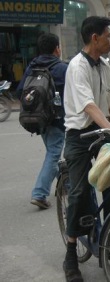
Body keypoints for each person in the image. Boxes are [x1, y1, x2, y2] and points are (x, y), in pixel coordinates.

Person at [62, 16, 110, 282]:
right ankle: (71, 254)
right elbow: (90, 107)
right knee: (80, 192)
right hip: (79, 136)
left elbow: (109, 105)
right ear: (95, 38)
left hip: (102, 131)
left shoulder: (103, 66)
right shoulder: (77, 67)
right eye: (108, 36)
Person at [16, 33, 68, 209]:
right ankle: (39, 193)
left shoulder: (32, 66)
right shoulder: (62, 68)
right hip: (58, 119)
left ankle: (66, 185)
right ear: (56, 49)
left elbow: (20, 92)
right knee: (54, 154)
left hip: (39, 120)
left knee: (53, 154)